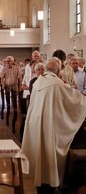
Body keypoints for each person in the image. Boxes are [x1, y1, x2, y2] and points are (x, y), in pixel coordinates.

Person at [21, 58, 86, 194]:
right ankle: (51, 183)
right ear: (58, 71)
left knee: (41, 154)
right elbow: (77, 101)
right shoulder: (57, 84)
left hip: (37, 123)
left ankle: (42, 183)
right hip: (49, 125)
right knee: (49, 152)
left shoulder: (39, 81)